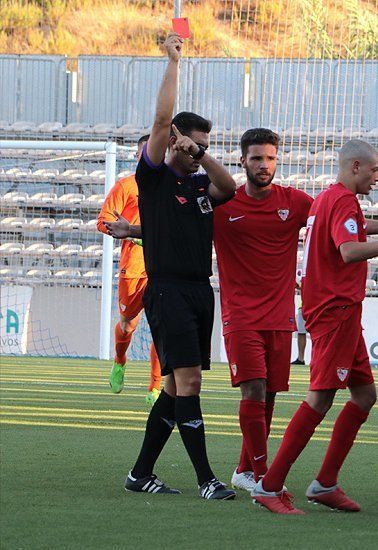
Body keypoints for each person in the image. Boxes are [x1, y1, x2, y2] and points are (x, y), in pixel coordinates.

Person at [251, 139, 378, 515]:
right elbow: (348, 249)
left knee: (365, 396)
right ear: (355, 168)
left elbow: (352, 228)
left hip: (340, 310)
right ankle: (269, 486)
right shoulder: (344, 201)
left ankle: (325, 482)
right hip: (335, 311)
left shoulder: (329, 198)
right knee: (321, 396)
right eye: (375, 169)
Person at [104, 33, 237, 499]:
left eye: (204, 145)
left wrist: (200, 154)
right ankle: (207, 479)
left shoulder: (202, 185)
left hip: (200, 291)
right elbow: (162, 118)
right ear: (175, 141)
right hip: (167, 291)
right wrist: (173, 63)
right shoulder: (154, 178)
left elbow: (230, 188)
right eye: (193, 143)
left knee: (175, 392)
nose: (199, 150)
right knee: (189, 381)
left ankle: (140, 473)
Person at [211, 128, 313, 493]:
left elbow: (339, 224)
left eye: (270, 158)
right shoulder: (223, 204)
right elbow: (175, 228)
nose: (264, 165)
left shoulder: (295, 202)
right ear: (242, 162)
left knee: (268, 395)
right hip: (240, 315)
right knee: (252, 389)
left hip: (280, 316)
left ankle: (243, 469)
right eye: (257, 158)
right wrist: (134, 230)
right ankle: (261, 474)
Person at [98, 134, 163, 405]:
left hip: (163, 266)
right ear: (138, 158)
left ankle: (155, 387)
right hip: (134, 267)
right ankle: (120, 361)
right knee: (128, 324)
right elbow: (103, 220)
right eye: (143, 155)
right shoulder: (126, 186)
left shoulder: (172, 186)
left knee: (163, 327)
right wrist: (128, 234)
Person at [291, 280, 308, 366]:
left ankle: (316, 358)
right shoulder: (302, 275)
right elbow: (297, 285)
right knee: (301, 332)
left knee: (317, 333)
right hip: (303, 305)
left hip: (317, 305)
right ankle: (300, 358)